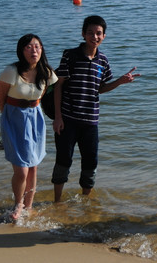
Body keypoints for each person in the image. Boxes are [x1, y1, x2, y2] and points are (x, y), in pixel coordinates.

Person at [52, 15, 140, 202]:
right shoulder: (70, 55)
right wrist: (57, 117)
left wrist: (120, 82)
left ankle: (85, 203)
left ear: (104, 36)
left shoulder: (103, 61)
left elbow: (101, 88)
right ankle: (57, 201)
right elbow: (59, 86)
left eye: (99, 33)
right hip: (68, 118)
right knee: (63, 161)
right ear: (83, 34)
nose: (95, 36)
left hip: (91, 121)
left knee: (90, 163)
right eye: (90, 33)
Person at [0, 34, 57, 220]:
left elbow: (50, 91)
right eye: (29, 47)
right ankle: (18, 204)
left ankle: (29, 206)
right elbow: (2, 98)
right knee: (21, 169)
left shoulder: (46, 72)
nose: (34, 51)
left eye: (37, 47)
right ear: (21, 50)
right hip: (14, 118)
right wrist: (6, 123)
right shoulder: (11, 71)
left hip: (35, 118)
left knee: (33, 167)